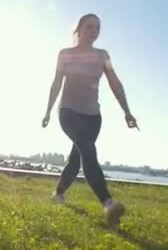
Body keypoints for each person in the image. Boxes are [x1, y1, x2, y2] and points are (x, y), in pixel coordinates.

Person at [42, 13, 139, 226]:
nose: (94, 31)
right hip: (68, 112)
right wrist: (48, 111)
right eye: (90, 27)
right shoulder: (65, 54)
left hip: (93, 117)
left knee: (78, 158)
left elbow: (115, 83)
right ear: (79, 29)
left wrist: (127, 111)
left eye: (97, 28)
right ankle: (108, 203)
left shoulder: (103, 55)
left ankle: (58, 193)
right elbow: (56, 83)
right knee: (88, 151)